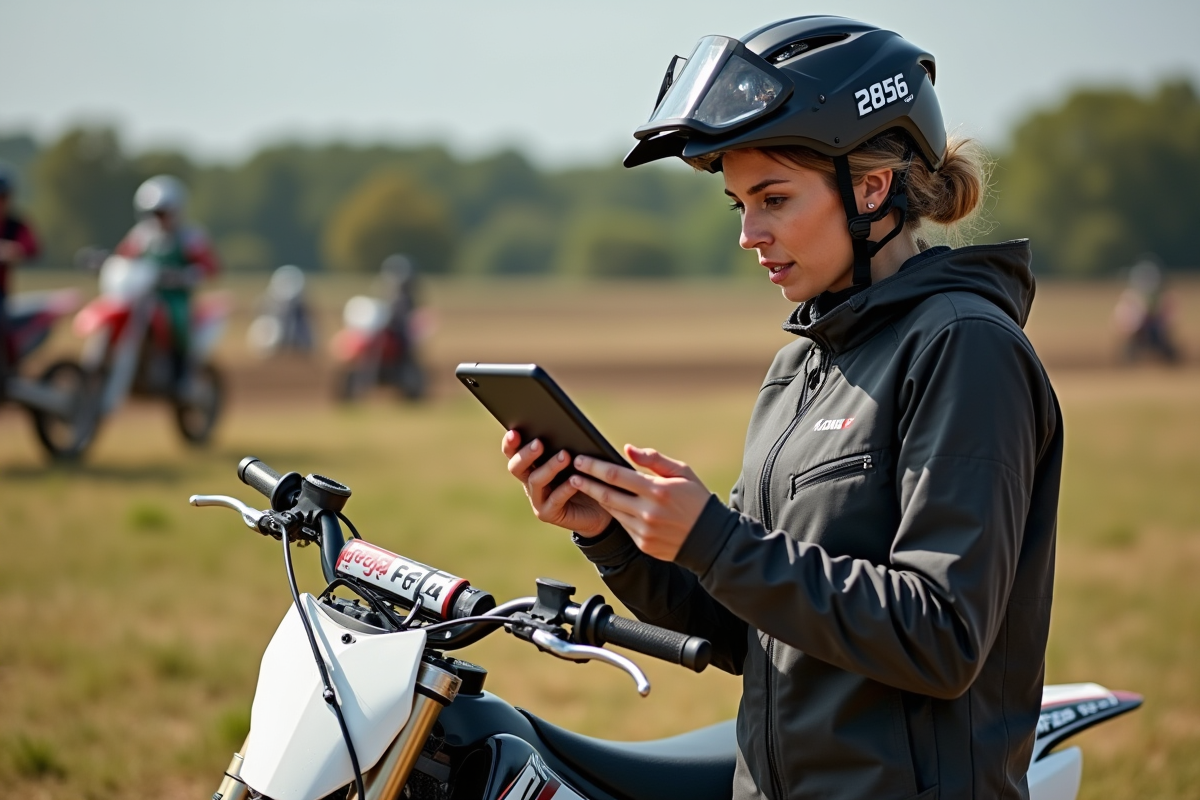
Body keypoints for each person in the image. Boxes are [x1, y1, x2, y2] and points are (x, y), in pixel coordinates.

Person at [502, 17, 1060, 800]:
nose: (748, 234)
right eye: (738, 204)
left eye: (772, 199)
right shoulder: (802, 361)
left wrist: (719, 542)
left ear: (871, 187)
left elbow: (943, 635)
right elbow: (749, 627)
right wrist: (615, 535)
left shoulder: (965, 346)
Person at [115, 175, 219, 390]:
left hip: (175, 296)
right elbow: (123, 258)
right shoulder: (141, 236)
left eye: (162, 213)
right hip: (143, 294)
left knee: (177, 320)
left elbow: (210, 266)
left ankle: (181, 374)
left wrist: (188, 275)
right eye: (153, 213)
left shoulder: (189, 236)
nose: (158, 218)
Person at [0, 166, 41, 397]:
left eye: (3, 197)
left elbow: (31, 247)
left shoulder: (16, 225)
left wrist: (11, 250)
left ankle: (8, 370)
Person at [1113, 256, 1179, 363]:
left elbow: (1165, 317)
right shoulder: (1131, 297)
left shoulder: (1160, 297)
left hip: (1154, 329)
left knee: (1164, 345)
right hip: (1138, 330)